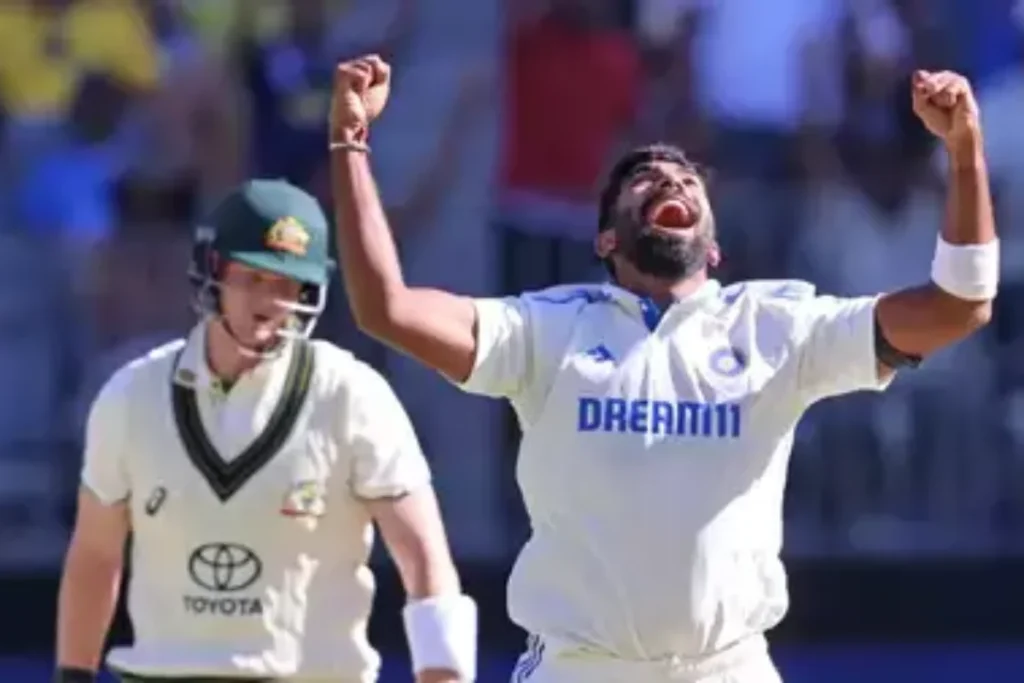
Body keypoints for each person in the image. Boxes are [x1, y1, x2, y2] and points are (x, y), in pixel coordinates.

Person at [330, 55, 998, 683]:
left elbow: (958, 306)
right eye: (645, 178)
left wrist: (965, 151)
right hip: (581, 667)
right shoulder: (546, 329)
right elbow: (386, 307)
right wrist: (349, 144)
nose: (672, 181)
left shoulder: (776, 327)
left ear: (714, 248)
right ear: (606, 239)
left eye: (687, 180)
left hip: (727, 667)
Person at [54, 179, 478, 683]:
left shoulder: (352, 396)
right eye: (252, 278)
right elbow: (96, 553)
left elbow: (424, 558)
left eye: (286, 284)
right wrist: (73, 675)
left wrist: (444, 672)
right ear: (214, 271)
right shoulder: (131, 395)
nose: (268, 302)